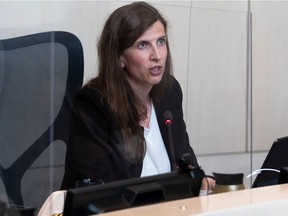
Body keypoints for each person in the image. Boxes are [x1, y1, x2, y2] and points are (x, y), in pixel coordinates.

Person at [61, 1, 214, 191]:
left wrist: (199, 180)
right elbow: (103, 191)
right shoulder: (94, 104)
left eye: (161, 41)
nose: (157, 55)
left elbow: (185, 163)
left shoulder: (169, 92)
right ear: (119, 57)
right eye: (143, 45)